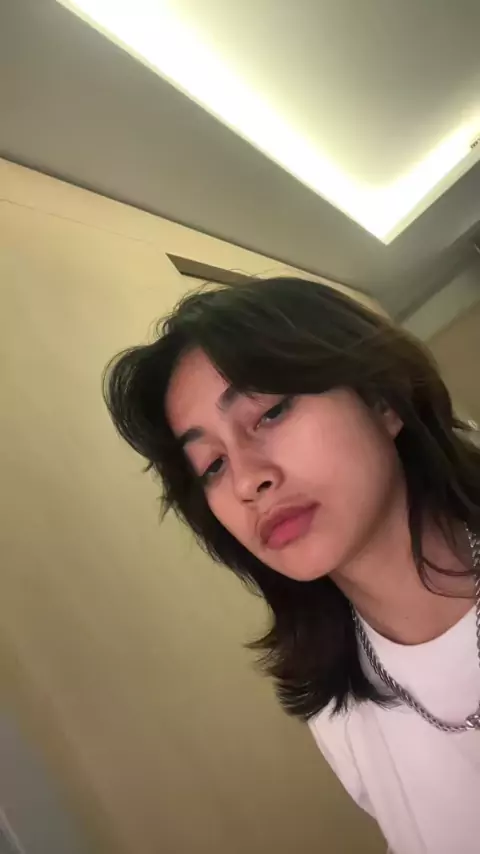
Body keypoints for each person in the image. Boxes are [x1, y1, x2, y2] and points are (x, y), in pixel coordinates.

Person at [103, 276, 480, 854]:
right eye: (211, 465)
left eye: (270, 412)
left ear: (381, 399)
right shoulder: (337, 712)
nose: (247, 480)